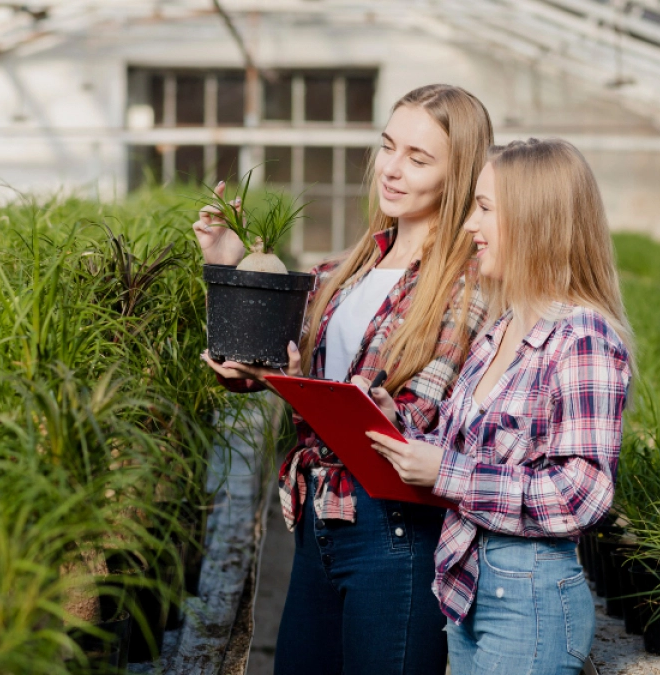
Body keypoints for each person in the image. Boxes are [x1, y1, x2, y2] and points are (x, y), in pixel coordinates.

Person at [193, 84, 492, 675]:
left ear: (458, 176)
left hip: (395, 533)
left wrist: (311, 392)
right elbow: (282, 363)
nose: (392, 169)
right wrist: (229, 265)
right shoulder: (345, 269)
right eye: (388, 147)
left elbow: (411, 424)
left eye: (418, 157)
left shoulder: (465, 287)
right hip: (319, 522)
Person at [367, 138, 634, 675]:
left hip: (529, 594)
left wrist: (448, 473)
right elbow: (469, 454)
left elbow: (583, 494)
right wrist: (402, 432)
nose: (469, 224)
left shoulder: (582, 336)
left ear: (535, 220)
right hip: (472, 585)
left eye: (485, 208)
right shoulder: (503, 328)